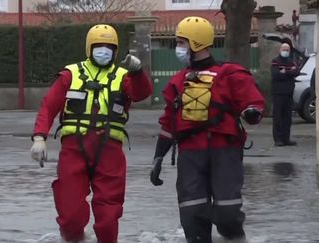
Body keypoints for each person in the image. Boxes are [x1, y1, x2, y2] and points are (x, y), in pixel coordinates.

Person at [30, 24, 152, 243]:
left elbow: (141, 93)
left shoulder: (124, 76)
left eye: (109, 47)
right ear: (89, 48)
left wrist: (138, 71)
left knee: (108, 218)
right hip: (74, 150)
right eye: (99, 46)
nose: (104, 50)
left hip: (109, 152)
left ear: (115, 51)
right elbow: (49, 106)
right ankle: (75, 238)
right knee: (70, 217)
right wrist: (39, 137)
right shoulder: (71, 74)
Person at [149, 16, 265, 243]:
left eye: (181, 42)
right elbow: (169, 123)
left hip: (225, 151)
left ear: (196, 43)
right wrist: (158, 157)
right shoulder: (178, 81)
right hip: (190, 154)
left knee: (227, 214)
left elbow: (253, 103)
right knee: (193, 214)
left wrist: (252, 111)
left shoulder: (230, 74)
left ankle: (235, 238)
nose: (178, 48)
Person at [270, 43, 300, 146]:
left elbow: (296, 72)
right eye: (284, 49)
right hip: (278, 93)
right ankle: (277, 139)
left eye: (287, 50)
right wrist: (289, 72)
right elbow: (276, 75)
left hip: (289, 93)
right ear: (280, 50)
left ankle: (286, 138)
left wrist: (285, 72)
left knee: (287, 118)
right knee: (278, 117)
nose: (285, 51)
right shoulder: (275, 61)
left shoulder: (291, 61)